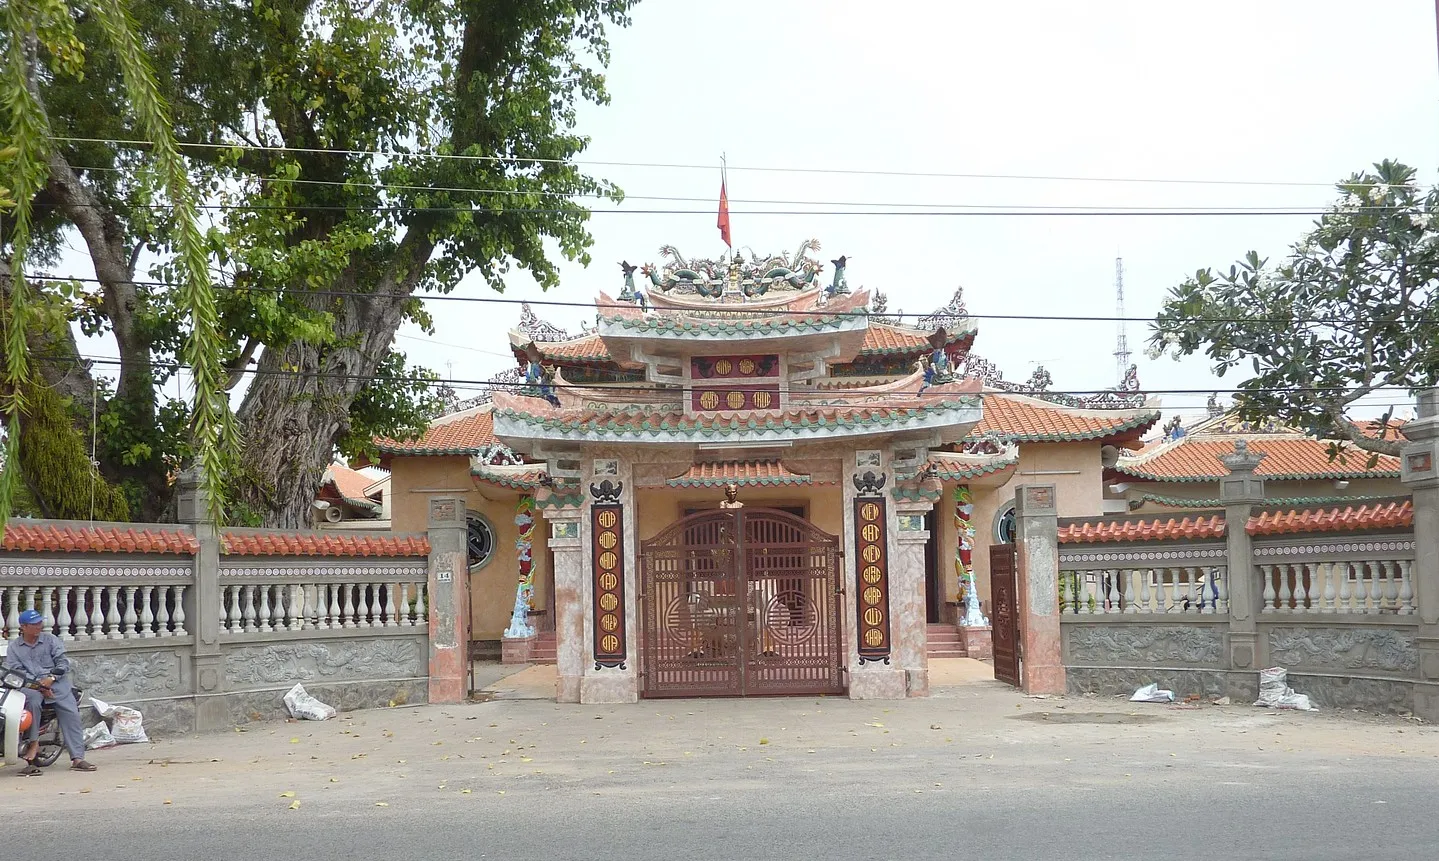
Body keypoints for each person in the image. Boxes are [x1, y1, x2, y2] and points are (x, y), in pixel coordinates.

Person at [3, 609, 96, 775]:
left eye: (40, 623)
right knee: (31, 704)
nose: (39, 626)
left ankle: (77, 758)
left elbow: (63, 664)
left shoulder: (51, 640)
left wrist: (50, 679)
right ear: (23, 627)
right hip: (31, 687)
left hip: (56, 684)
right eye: (34, 624)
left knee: (70, 712)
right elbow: (16, 671)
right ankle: (31, 751)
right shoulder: (14, 647)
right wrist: (39, 686)